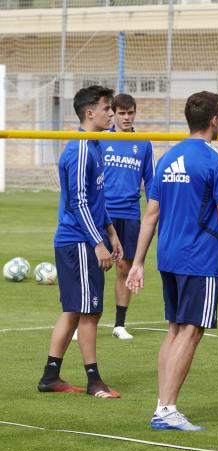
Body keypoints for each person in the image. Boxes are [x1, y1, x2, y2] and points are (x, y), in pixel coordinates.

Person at [126, 91, 218, 431]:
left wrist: (138, 262)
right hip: (198, 258)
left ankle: (162, 406)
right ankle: (167, 408)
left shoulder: (168, 158)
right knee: (192, 330)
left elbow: (150, 214)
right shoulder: (216, 161)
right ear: (215, 120)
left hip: (167, 255)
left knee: (174, 330)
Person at [37, 85, 123, 399]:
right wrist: (98, 243)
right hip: (78, 241)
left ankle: (50, 376)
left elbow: (97, 198)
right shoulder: (82, 148)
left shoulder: (96, 145)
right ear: (90, 113)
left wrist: (111, 232)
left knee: (75, 310)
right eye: (107, 108)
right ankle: (94, 381)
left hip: (84, 238)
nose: (111, 113)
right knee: (89, 311)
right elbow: (79, 203)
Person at [98, 93, 155, 340]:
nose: (126, 117)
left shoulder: (143, 142)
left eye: (130, 112)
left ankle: (119, 324)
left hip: (130, 213)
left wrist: (154, 209)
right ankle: (81, 321)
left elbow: (151, 181)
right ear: (113, 114)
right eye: (121, 113)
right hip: (102, 213)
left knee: (125, 267)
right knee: (94, 267)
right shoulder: (99, 140)